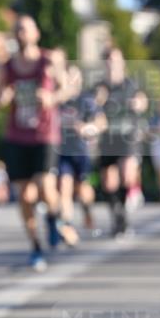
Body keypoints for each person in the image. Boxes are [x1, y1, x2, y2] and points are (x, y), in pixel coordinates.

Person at [0, 14, 63, 271]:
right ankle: (35, 246)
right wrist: (4, 98)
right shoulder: (6, 67)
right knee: (24, 195)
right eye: (17, 30)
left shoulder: (48, 60)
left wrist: (51, 98)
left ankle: (54, 217)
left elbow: (67, 88)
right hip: (17, 136)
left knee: (45, 186)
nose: (21, 34)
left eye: (26, 30)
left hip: (44, 134)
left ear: (36, 34)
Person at [96, 47, 148, 237]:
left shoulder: (131, 84)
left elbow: (143, 102)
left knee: (127, 176)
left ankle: (123, 214)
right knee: (109, 184)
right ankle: (117, 215)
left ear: (123, 63)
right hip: (108, 137)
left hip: (128, 136)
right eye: (109, 60)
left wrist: (138, 104)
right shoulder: (100, 88)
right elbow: (93, 110)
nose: (112, 64)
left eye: (116, 60)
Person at [57, 64, 99, 241]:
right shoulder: (58, 100)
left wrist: (87, 128)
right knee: (64, 188)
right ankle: (68, 226)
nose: (72, 81)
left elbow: (101, 122)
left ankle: (88, 211)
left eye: (75, 77)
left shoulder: (86, 99)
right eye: (69, 77)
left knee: (82, 190)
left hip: (80, 151)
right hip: (62, 151)